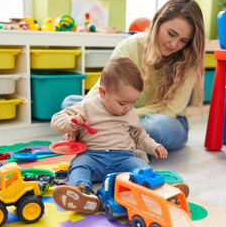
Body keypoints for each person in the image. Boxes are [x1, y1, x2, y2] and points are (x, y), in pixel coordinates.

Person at [62, 0, 205, 152]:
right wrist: (78, 118)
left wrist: (117, 119)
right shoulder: (130, 46)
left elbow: (171, 109)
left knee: (156, 127)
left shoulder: (188, 58)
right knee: (71, 104)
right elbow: (102, 88)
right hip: (121, 112)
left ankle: (109, 137)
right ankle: (117, 138)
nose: (175, 44)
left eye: (184, 40)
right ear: (158, 21)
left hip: (163, 120)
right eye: (171, 34)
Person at [51, 56, 169, 214]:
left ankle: (156, 191)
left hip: (124, 158)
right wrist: (72, 123)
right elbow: (56, 120)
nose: (129, 108)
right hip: (93, 156)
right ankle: (82, 193)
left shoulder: (130, 112)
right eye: (122, 103)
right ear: (103, 92)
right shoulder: (87, 106)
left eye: (133, 102)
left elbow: (139, 135)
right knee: (79, 165)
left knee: (143, 167)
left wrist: (154, 146)